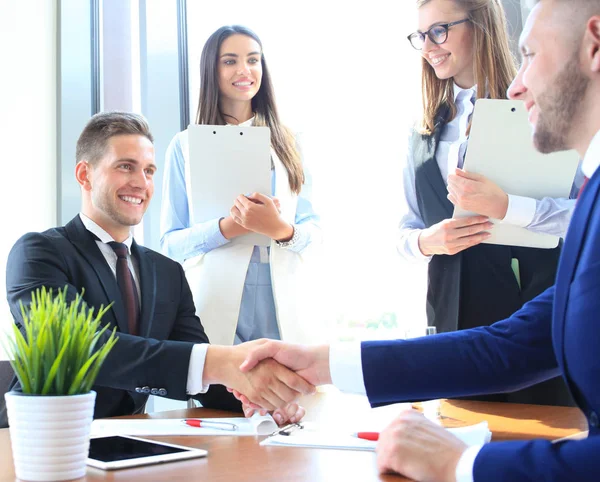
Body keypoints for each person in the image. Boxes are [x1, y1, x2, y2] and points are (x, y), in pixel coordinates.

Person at [235, 2, 600, 479]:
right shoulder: (592, 193)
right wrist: (320, 363)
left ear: (593, 44)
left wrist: (460, 464)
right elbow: (510, 349)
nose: (517, 85)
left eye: (530, 54)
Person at [1, 111, 312, 428]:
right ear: (85, 175)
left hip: (127, 445)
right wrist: (220, 360)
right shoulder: (38, 254)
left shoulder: (167, 273)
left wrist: (259, 402)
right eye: (126, 167)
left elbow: (205, 375)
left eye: (149, 171)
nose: (141, 183)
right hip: (36, 444)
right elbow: (83, 348)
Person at [396, 0, 580, 406]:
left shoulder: (539, 112)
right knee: (460, 435)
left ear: (479, 24)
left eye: (439, 30)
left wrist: (508, 207)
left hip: (532, 315)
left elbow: (582, 218)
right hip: (450, 316)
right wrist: (430, 240)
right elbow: (404, 230)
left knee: (537, 442)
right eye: (420, 35)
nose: (429, 45)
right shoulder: (424, 129)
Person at [160, 25, 321, 348]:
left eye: (253, 60)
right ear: (212, 69)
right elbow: (170, 246)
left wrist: (281, 229)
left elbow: (314, 232)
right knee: (219, 395)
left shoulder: (290, 142)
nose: (245, 70)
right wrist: (226, 228)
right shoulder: (185, 146)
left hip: (284, 298)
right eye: (230, 61)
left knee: (290, 392)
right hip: (214, 298)